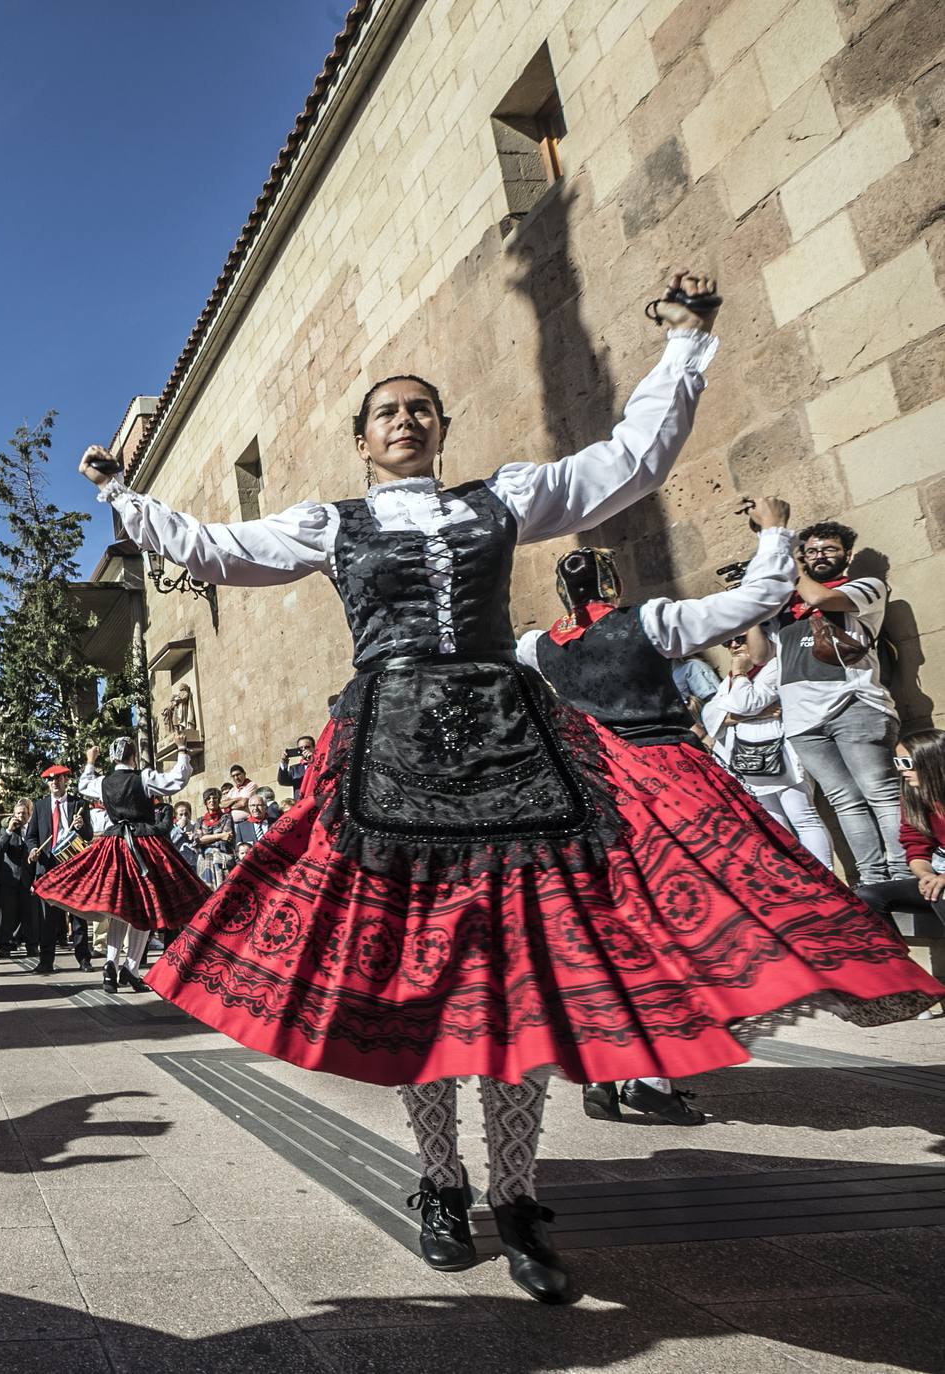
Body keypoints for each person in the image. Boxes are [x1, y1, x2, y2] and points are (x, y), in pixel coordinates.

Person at [84, 268, 939, 1305]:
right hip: (390, 759)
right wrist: (125, 503)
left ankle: (519, 1195)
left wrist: (685, 342)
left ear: (441, 427)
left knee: (517, 979)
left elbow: (628, 463)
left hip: (512, 753)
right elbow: (220, 550)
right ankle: (442, 1183)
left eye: (419, 409)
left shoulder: (504, 498)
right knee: (426, 982)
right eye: (387, 412)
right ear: (363, 439)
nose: (404, 420)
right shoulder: (330, 521)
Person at [518, 497, 801, 1128]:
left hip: (586, 791)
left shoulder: (538, 646)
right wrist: (776, 533)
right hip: (667, 779)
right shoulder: (652, 621)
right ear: (612, 583)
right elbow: (757, 599)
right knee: (691, 920)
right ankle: (647, 1078)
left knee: (613, 925)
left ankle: (607, 1070)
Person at [748, 519, 905, 883]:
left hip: (854, 704)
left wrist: (789, 562)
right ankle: (874, 879)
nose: (819, 556)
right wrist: (754, 606)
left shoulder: (865, 587)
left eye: (828, 549)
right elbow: (759, 656)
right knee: (843, 801)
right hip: (803, 719)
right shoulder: (785, 607)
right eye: (812, 550)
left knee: (879, 793)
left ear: (846, 555)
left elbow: (819, 597)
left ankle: (904, 872)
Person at [35, 738, 203, 994]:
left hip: (115, 846)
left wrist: (90, 761)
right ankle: (131, 969)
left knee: (121, 908)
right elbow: (176, 781)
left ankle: (111, 966)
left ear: (114, 758)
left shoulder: (103, 782)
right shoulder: (143, 777)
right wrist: (181, 750)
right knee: (144, 909)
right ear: (133, 756)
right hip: (144, 845)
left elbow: (83, 785)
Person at [702, 635, 833, 868]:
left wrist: (740, 675)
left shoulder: (774, 667)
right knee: (775, 825)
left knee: (804, 818)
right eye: (727, 643)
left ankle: (829, 876)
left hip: (780, 758)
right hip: (748, 763)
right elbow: (710, 714)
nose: (733, 645)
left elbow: (744, 703)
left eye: (740, 639)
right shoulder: (730, 680)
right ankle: (802, 881)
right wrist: (756, 713)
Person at [855, 730, 945, 1009]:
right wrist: (927, 875)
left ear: (931, 761)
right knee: (866, 896)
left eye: (907, 763)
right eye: (898, 763)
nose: (902, 771)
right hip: (938, 871)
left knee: (941, 896)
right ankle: (913, 989)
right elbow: (915, 846)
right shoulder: (915, 797)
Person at [27, 764, 90, 973]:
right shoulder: (40, 806)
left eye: (59, 779)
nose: (55, 783)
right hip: (48, 867)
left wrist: (81, 826)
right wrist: (34, 849)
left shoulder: (79, 804)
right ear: (47, 784)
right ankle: (46, 961)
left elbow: (88, 835)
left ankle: (83, 959)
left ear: (66, 781)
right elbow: (31, 836)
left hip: (72, 865)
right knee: (48, 918)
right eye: (51, 780)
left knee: (77, 915)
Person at [0, 798, 37, 957]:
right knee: (8, 916)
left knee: (28, 916)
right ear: (13, 815)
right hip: (10, 881)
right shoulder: (6, 830)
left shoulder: (32, 831)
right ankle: (5, 946)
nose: (21, 817)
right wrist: (9, 830)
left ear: (29, 815)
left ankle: (31, 946)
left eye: (24, 814)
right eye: (18, 813)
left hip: (28, 879)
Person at [277, 734, 318, 799]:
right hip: (301, 802)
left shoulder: (321, 762)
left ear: (314, 748)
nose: (304, 749)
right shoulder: (294, 769)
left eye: (307, 747)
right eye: (301, 748)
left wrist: (314, 759)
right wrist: (284, 763)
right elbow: (283, 781)